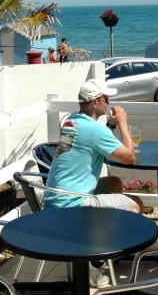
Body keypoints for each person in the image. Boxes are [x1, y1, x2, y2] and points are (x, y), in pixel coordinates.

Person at [45, 79, 142, 212]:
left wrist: (111, 124)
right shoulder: (95, 130)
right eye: (106, 99)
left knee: (113, 183)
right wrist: (122, 122)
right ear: (95, 102)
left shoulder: (71, 120)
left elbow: (96, 141)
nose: (108, 103)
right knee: (136, 204)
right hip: (73, 204)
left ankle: (101, 229)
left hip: (54, 199)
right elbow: (129, 157)